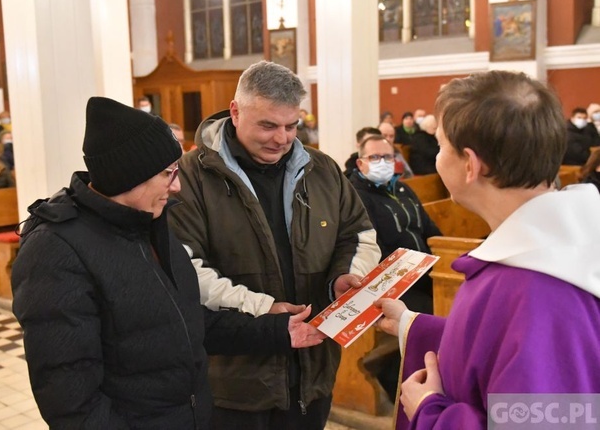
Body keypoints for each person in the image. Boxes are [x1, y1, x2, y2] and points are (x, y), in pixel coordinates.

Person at [11, 96, 326, 429]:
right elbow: (70, 397)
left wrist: (276, 331)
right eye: (167, 174)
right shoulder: (57, 251)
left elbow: (185, 322)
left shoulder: (151, 224)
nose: (176, 186)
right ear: (128, 175)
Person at [376, 70, 600, 430]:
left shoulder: (538, 290)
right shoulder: (551, 252)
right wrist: (411, 325)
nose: (437, 157)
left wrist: (431, 411)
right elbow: (505, 351)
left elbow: (548, 422)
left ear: (470, 164)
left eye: (441, 145)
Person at [168, 61, 381, 430]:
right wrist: (265, 308)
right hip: (235, 383)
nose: (282, 139)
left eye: (291, 125)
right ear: (235, 112)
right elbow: (185, 269)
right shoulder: (190, 176)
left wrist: (346, 276)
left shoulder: (322, 169)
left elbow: (358, 233)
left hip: (313, 372)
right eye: (267, 125)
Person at [349, 134, 441, 403]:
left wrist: (443, 258)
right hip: (389, 282)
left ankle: (435, 377)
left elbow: (429, 229)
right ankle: (394, 374)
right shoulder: (356, 195)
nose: (382, 162)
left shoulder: (403, 189)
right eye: (374, 157)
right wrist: (415, 270)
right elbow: (373, 249)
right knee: (431, 312)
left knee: (455, 300)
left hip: (423, 271)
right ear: (361, 163)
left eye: (387, 157)